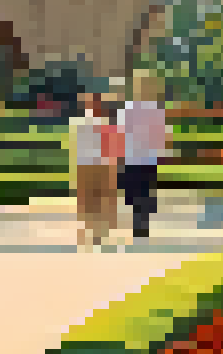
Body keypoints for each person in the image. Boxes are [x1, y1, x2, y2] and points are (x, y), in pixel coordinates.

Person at [116, 91, 170, 243]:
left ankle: (141, 226)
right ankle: (141, 225)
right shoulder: (129, 109)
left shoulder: (149, 110)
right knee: (140, 194)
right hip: (138, 158)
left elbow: (160, 134)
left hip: (143, 158)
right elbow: (122, 134)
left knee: (141, 193)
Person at [69, 92, 121, 250]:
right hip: (89, 164)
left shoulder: (103, 123)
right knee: (91, 198)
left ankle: (98, 229)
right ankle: (93, 229)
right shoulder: (82, 122)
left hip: (100, 164)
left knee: (100, 198)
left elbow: (112, 146)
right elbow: (76, 146)